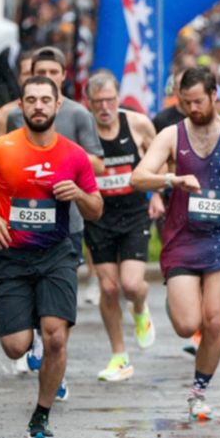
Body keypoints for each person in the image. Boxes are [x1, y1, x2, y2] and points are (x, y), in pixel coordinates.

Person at [0, 75, 103, 438]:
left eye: (45, 100)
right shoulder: (1, 148)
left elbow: (96, 208)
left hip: (57, 254)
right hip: (11, 256)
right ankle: (31, 330)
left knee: (56, 338)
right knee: (15, 347)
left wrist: (80, 196)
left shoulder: (73, 155)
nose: (38, 106)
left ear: (58, 106)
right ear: (20, 107)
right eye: (31, 100)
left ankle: (42, 413)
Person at [131, 66, 220, 420]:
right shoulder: (170, 135)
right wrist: (170, 179)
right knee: (185, 324)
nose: (193, 108)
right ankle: (178, 302)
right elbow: (138, 177)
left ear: (214, 97)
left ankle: (199, 390)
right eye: (186, 102)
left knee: (213, 321)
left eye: (199, 101)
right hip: (181, 238)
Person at [83, 72, 161, 381]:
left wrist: (157, 195)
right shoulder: (84, 131)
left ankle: (140, 308)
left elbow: (161, 161)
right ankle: (119, 356)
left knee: (131, 285)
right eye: (98, 102)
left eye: (110, 100)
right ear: (89, 104)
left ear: (119, 99)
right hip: (99, 217)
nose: (104, 107)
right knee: (109, 287)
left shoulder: (138, 124)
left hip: (134, 213)